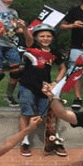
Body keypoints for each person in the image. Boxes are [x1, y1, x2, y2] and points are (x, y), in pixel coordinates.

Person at [16, 23, 68, 156]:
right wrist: (25, 29)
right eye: (42, 36)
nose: (45, 38)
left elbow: (63, 68)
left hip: (44, 88)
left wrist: (55, 82)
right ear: (37, 38)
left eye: (48, 36)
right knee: (26, 112)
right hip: (27, 85)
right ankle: (24, 141)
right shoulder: (32, 47)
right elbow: (28, 39)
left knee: (47, 115)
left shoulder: (54, 52)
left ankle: (52, 140)